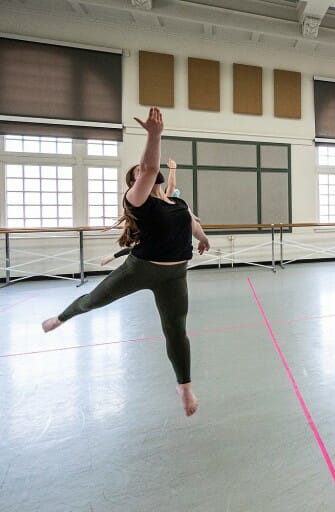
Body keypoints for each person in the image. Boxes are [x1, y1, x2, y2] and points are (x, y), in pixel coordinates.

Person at [42, 107, 211, 417]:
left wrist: (202, 238)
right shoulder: (137, 201)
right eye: (137, 175)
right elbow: (147, 169)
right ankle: (63, 317)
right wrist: (154, 135)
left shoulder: (178, 202)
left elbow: (190, 222)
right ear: (133, 184)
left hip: (175, 274)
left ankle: (184, 386)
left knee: (176, 330)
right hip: (141, 269)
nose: (143, 173)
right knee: (95, 300)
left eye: (145, 173)